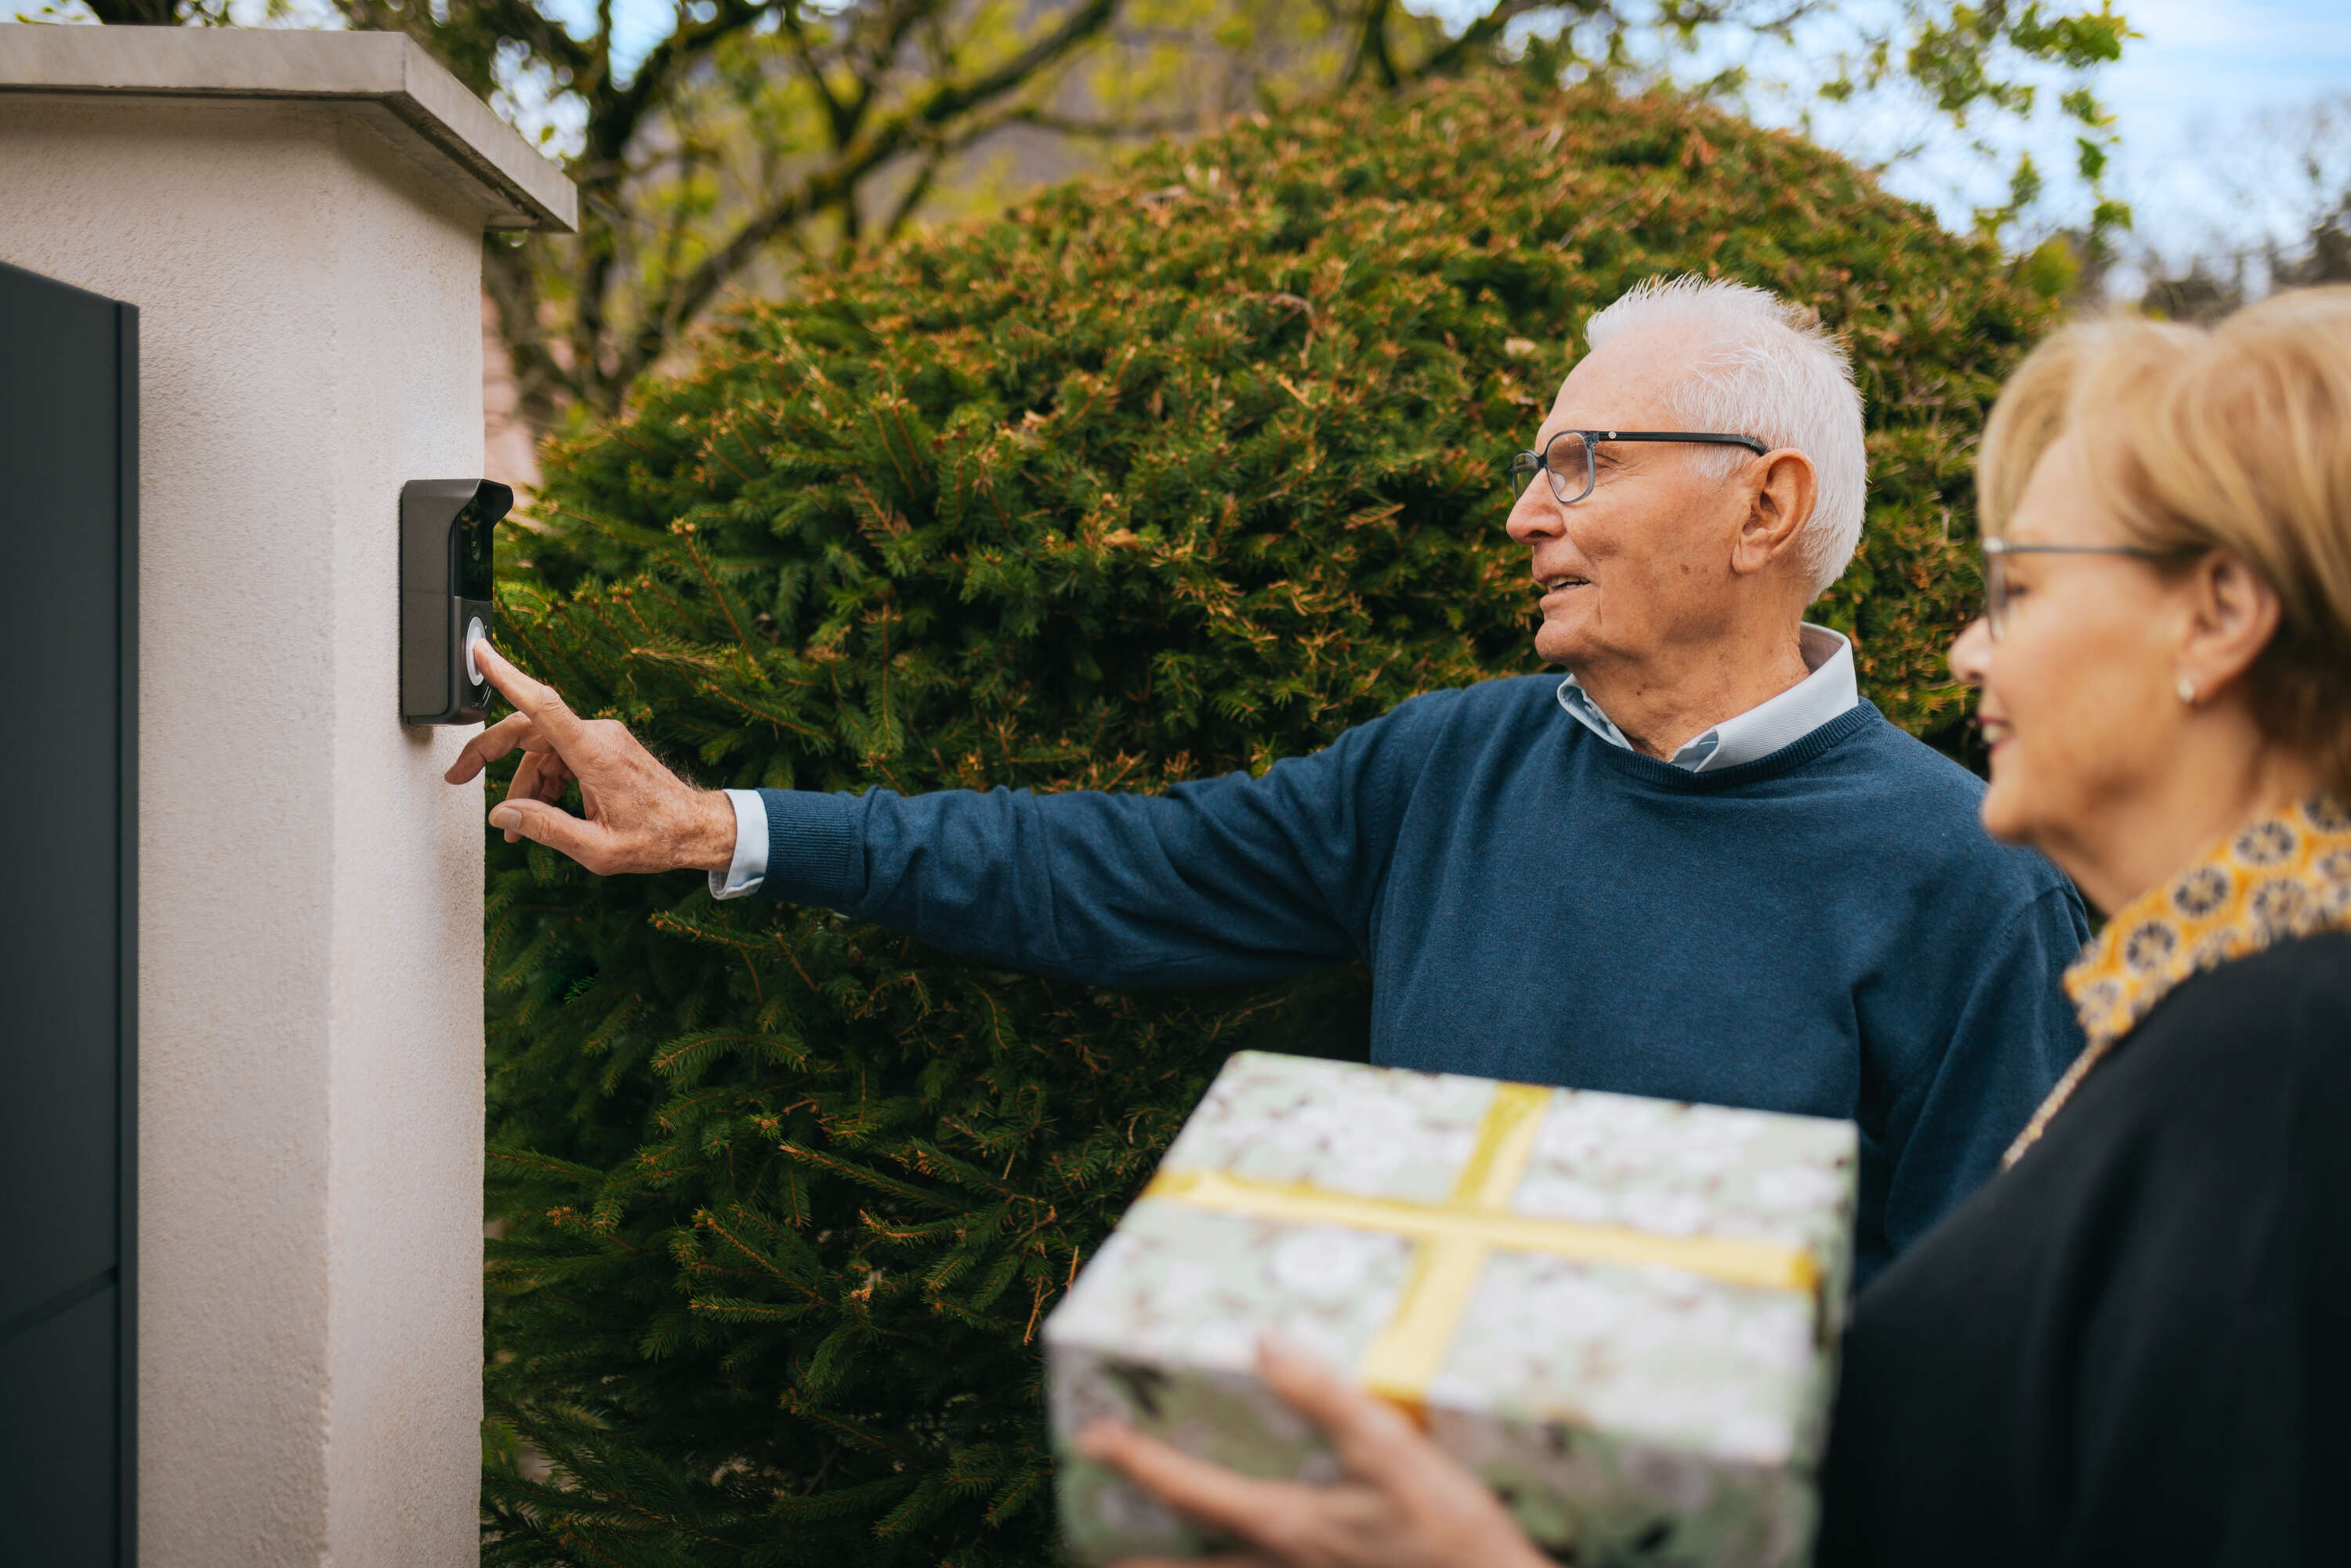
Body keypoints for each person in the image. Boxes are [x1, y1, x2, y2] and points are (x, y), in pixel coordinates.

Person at [447, 276, 2088, 1284]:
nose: (1528, 508)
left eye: (1585, 459)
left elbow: (1985, 1342)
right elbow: (1106, 869)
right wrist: (729, 823)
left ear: (1763, 507)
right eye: (1541, 461)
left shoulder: (1971, 877)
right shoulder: (1448, 767)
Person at [1072, 287, 2351, 1567]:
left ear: (2223, 613)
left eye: (2018, 586)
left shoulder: (2282, 1058)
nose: (1967, 650)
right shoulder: (2207, 1020)